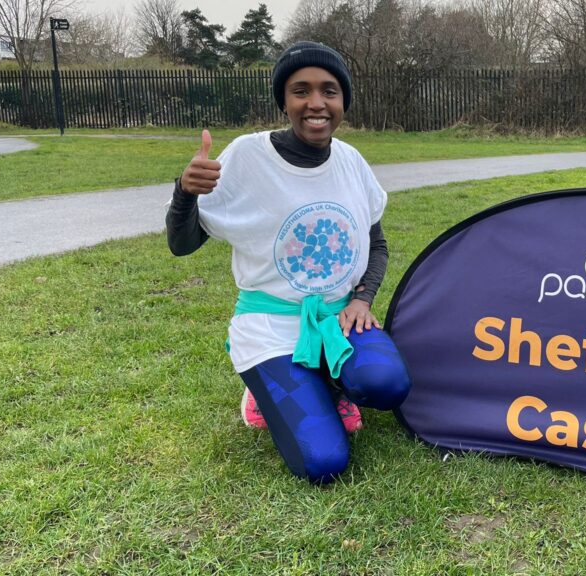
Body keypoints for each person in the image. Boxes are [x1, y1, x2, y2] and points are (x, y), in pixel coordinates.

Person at [166, 41, 411, 483]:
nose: (316, 103)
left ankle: (328, 381)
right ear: (284, 100)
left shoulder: (351, 161)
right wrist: (185, 192)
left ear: (343, 101)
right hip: (270, 327)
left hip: (339, 319)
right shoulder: (247, 156)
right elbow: (182, 245)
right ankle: (263, 391)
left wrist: (362, 299)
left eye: (329, 91)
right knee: (322, 462)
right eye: (301, 91)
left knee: (386, 385)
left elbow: (376, 244)